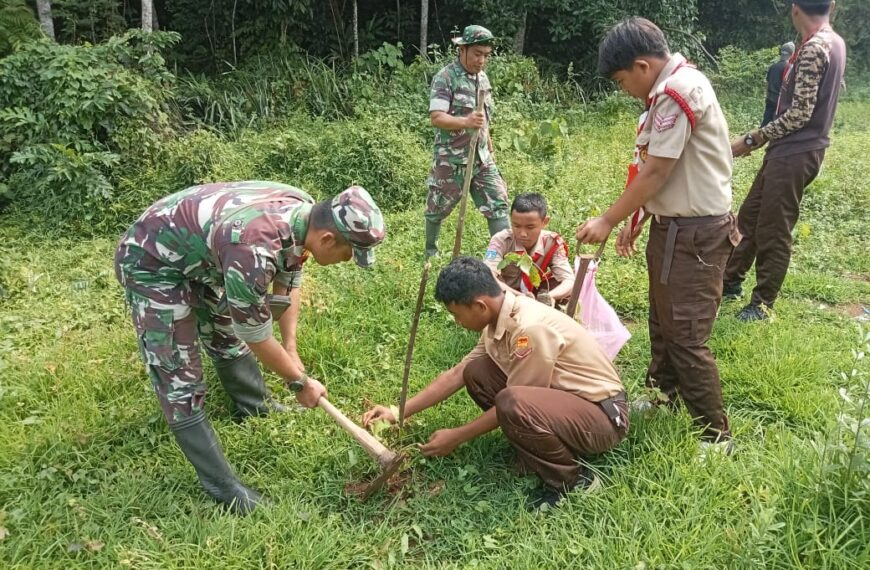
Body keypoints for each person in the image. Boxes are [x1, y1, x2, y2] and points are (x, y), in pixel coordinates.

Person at [114, 181, 385, 513]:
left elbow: (288, 279)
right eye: (347, 254)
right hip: (152, 261)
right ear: (327, 239)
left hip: (203, 255)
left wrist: (290, 347)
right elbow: (255, 334)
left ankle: (253, 406)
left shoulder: (304, 211)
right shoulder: (254, 249)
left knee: (222, 332)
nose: (346, 261)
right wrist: (298, 382)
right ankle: (223, 487)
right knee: (177, 373)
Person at [575, 18, 739, 454]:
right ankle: (661, 394)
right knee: (663, 320)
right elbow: (670, 172)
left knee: (685, 334)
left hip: (696, 236)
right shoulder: (678, 83)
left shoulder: (675, 93)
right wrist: (644, 216)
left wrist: (609, 220)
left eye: (621, 79)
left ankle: (715, 436)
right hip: (677, 228)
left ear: (642, 65)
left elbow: (659, 170)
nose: (623, 88)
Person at [363, 257, 628, 510]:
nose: (457, 322)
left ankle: (573, 481)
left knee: (512, 402)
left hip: (603, 418)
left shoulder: (528, 329)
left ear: (480, 306)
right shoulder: (498, 316)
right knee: (477, 371)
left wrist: (456, 436)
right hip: (568, 403)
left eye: (457, 314)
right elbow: (458, 373)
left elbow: (516, 402)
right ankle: (539, 449)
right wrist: (398, 412)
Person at [726, 0, 846, 322]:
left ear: (795, 8)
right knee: (750, 215)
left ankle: (762, 304)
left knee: (774, 228)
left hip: (795, 151)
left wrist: (753, 138)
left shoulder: (814, 48)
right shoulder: (834, 42)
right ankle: (729, 281)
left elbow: (799, 113)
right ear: (831, 5)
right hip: (792, 150)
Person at [424, 24, 510, 257]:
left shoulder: (482, 78)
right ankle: (430, 255)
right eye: (477, 54)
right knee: (437, 208)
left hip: (481, 158)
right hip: (451, 159)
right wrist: (466, 121)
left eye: (486, 55)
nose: (481, 60)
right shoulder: (445, 78)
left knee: (498, 204)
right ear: (462, 50)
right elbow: (437, 118)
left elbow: (484, 119)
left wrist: (489, 148)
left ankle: (500, 258)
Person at [483, 192, 574, 307]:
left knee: (574, 287)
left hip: (536, 297)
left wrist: (550, 296)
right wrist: (521, 297)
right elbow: (488, 277)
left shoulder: (552, 243)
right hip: (506, 297)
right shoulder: (501, 241)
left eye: (530, 227)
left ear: (545, 222)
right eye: (516, 226)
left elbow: (569, 281)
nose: (522, 234)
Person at [762, 42, 796, 127]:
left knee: (765, 124)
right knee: (777, 126)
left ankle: (757, 139)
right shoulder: (790, 68)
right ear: (792, 54)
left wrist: (767, 97)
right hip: (780, 102)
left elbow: (767, 84)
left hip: (770, 98)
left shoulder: (773, 67)